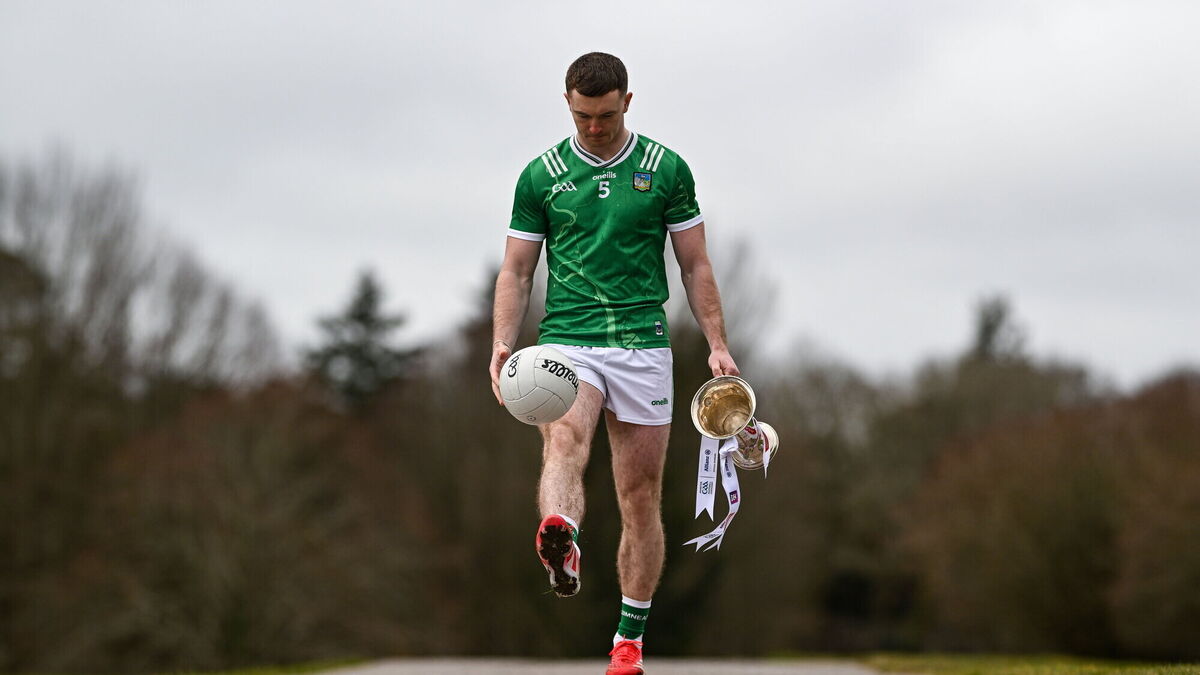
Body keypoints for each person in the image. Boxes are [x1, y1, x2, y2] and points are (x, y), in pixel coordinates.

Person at [488, 51, 738, 675]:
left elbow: (695, 264)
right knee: (565, 439)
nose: (593, 128)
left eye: (603, 115)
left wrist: (717, 343)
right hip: (567, 340)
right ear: (567, 104)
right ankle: (561, 533)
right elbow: (517, 270)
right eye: (581, 116)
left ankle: (628, 641)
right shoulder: (541, 175)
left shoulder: (666, 169)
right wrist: (503, 341)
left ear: (627, 100)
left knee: (640, 494)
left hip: (643, 342)